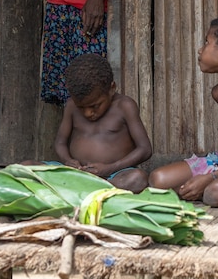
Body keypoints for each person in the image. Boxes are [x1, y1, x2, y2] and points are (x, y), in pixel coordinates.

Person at [149, 15, 218, 207]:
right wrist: (213, 174)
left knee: (216, 192)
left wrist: (211, 178)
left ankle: (203, 189)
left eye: (206, 42)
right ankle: (199, 189)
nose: (200, 50)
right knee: (157, 179)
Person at [53, 53, 151, 193]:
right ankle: (91, 188)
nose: (88, 113)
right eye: (81, 107)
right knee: (26, 166)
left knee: (137, 178)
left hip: (113, 174)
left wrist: (110, 168)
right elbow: (60, 142)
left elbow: (145, 149)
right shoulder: (70, 106)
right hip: (75, 173)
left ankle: (84, 188)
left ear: (112, 88)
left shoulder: (124, 106)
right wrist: (67, 160)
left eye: (95, 106)